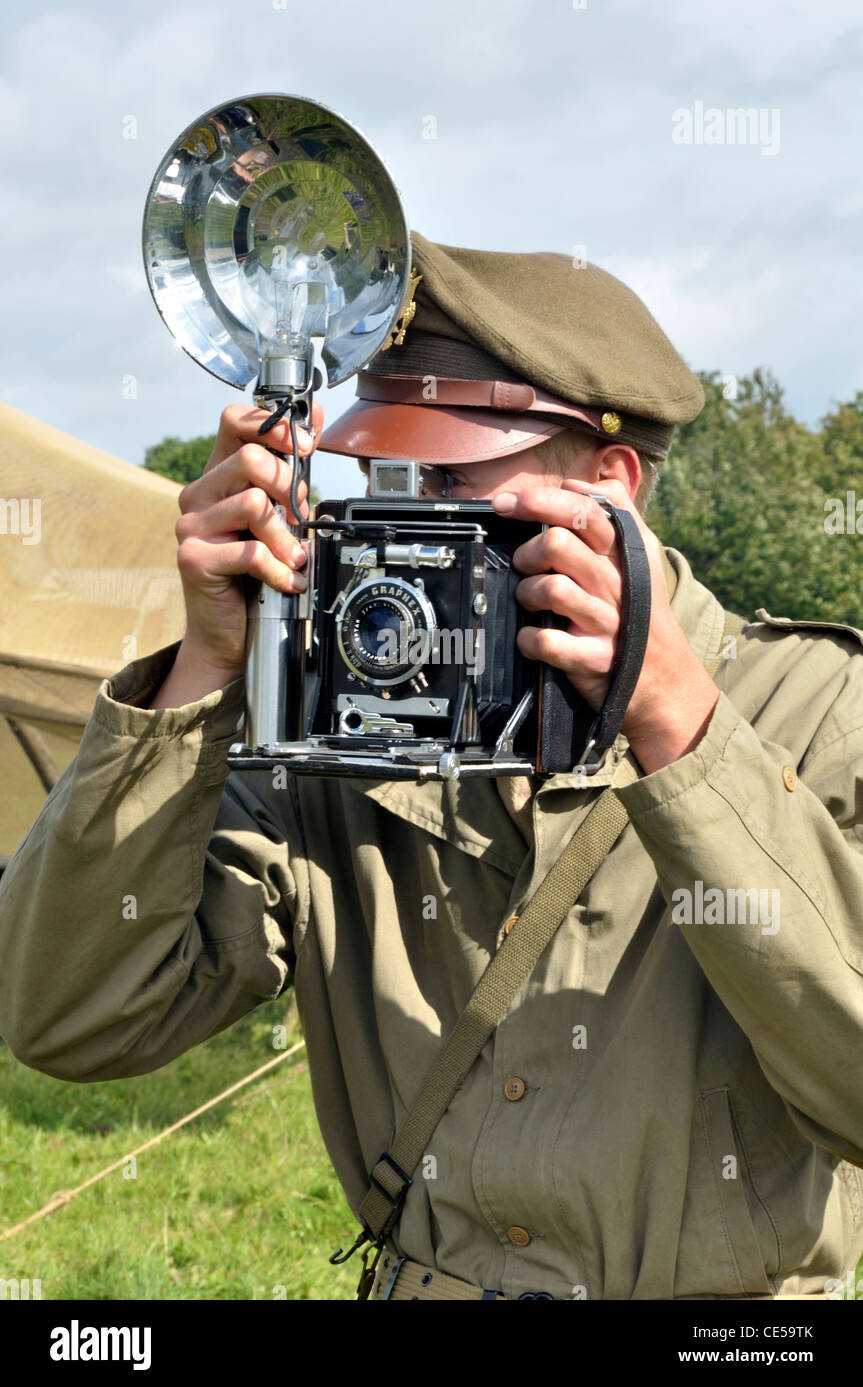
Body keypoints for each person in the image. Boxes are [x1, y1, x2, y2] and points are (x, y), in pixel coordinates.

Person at [1, 232, 862, 1302]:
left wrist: (677, 727)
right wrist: (201, 672)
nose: (395, 515)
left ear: (611, 486)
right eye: (381, 472)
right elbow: (71, 1016)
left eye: (449, 474)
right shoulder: (334, 725)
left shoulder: (814, 709)